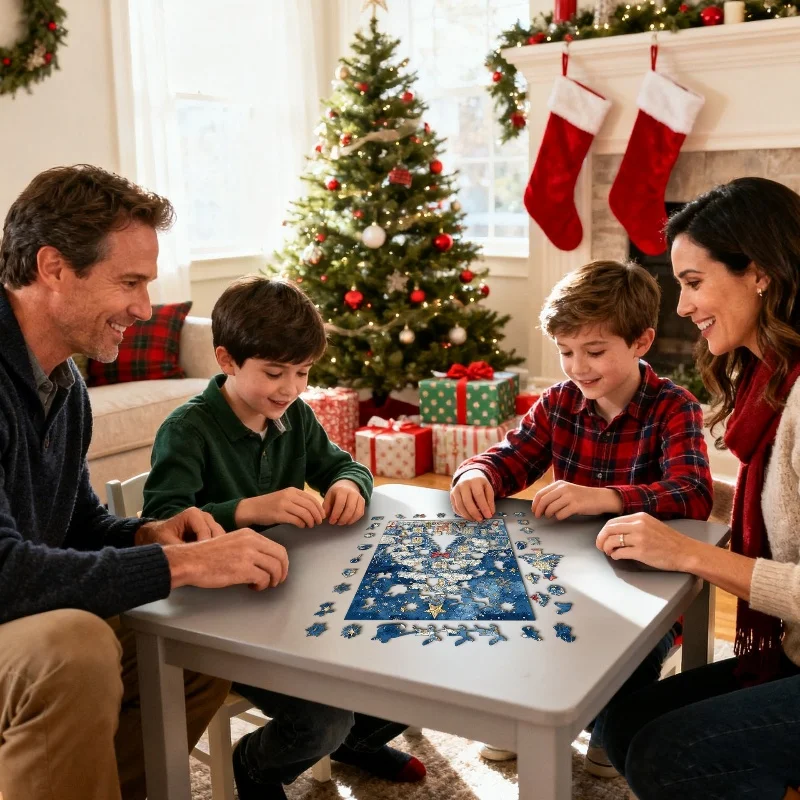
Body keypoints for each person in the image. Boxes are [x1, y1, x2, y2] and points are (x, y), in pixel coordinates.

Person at [0, 165, 290, 800]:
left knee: (200, 637)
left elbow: (75, 523)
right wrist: (177, 565)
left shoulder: (63, 383)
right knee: (72, 648)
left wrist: (147, 533)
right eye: (129, 282)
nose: (144, 306)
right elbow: (5, 573)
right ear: (53, 268)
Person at [142, 275, 426, 800]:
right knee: (323, 719)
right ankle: (254, 766)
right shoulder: (187, 429)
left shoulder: (295, 415)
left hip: (290, 597)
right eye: (275, 373)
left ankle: (353, 743)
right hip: (219, 618)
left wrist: (347, 484)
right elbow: (163, 522)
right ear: (227, 361)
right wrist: (249, 510)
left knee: (413, 666)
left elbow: (344, 465)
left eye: (302, 372)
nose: (291, 387)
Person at [450, 259, 713, 775]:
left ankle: (604, 722)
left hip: (646, 590)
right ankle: (523, 712)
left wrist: (607, 497)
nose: (578, 367)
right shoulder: (559, 403)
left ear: (641, 342)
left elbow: (694, 493)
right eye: (566, 352)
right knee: (506, 610)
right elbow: (510, 457)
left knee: (613, 732)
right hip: (565, 577)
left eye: (594, 351)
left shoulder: (675, 407)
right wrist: (475, 474)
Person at [595, 177, 800, 800]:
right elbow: (775, 504)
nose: (679, 307)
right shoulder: (773, 377)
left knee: (669, 754)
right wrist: (625, 495)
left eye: (692, 282)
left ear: (759, 273)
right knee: (624, 724)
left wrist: (688, 553)